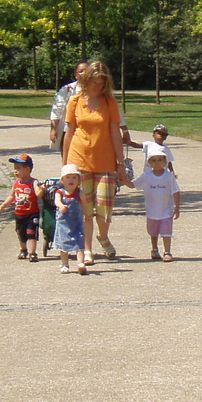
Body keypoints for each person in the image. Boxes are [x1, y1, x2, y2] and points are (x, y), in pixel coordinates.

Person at [60, 59, 131, 267]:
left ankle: (103, 236)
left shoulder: (109, 102)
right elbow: (69, 133)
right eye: (95, 83)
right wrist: (65, 165)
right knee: (85, 210)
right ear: (87, 80)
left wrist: (120, 163)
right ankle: (88, 249)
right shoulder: (75, 101)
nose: (98, 87)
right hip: (79, 159)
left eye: (102, 84)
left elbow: (115, 134)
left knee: (104, 209)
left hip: (105, 162)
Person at [136, 150, 182, 261]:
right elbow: (134, 185)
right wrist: (121, 178)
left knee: (166, 232)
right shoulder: (146, 176)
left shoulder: (169, 176)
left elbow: (176, 191)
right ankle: (154, 249)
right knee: (153, 231)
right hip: (152, 211)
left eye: (160, 160)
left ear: (165, 162)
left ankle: (167, 251)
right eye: (154, 160)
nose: (157, 163)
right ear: (149, 163)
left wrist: (177, 208)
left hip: (166, 210)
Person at [0, 154, 43, 261]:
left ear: (27, 169)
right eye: (15, 168)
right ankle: (23, 249)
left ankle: (32, 252)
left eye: (18, 168)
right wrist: (3, 205)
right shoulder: (17, 183)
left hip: (32, 213)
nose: (15, 171)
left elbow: (38, 194)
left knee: (31, 233)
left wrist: (42, 189)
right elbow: (12, 196)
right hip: (19, 214)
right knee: (20, 233)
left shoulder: (33, 182)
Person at [52, 165, 86, 274]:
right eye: (68, 177)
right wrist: (60, 205)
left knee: (79, 241)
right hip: (64, 223)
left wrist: (87, 214)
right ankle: (65, 263)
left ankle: (81, 263)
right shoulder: (60, 192)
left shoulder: (80, 193)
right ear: (62, 180)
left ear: (79, 180)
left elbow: (85, 204)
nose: (71, 180)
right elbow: (56, 201)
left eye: (74, 177)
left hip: (77, 221)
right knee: (63, 244)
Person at [48, 61, 88, 147]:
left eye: (87, 70)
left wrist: (124, 130)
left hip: (89, 132)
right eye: (81, 71)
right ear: (76, 75)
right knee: (69, 159)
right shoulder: (67, 89)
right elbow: (56, 110)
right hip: (69, 131)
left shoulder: (100, 90)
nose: (84, 73)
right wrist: (54, 129)